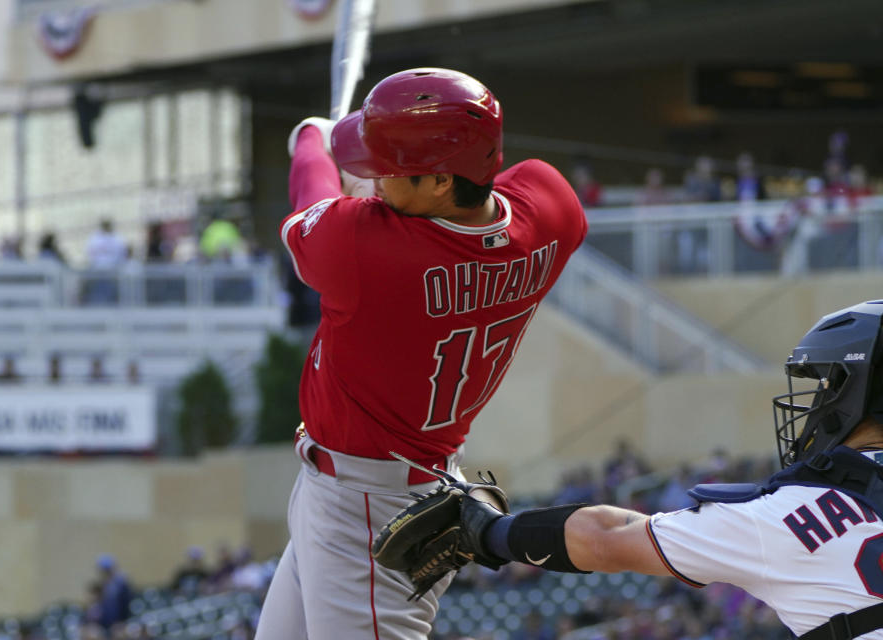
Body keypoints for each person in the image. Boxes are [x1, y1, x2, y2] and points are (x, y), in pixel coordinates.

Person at [256, 67, 587, 640]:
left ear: (438, 181)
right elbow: (478, 208)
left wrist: (309, 139)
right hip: (382, 483)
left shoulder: (362, 246)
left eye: (387, 170)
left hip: (366, 505)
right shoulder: (553, 208)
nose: (375, 180)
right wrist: (385, 188)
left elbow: (309, 202)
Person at [451, 300, 883, 640]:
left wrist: (488, 532)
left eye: (826, 386)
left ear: (856, 393)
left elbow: (605, 539)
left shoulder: (781, 517)